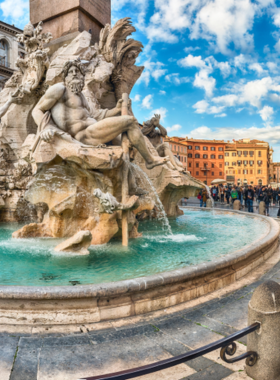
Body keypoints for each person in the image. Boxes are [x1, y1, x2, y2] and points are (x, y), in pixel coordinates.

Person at [32, 59, 169, 170]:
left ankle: (129, 185)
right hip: (84, 135)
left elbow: (96, 116)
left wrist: (116, 109)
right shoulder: (59, 89)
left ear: (82, 76)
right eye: (70, 72)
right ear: (65, 76)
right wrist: (45, 128)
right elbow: (36, 110)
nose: (74, 74)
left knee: (131, 145)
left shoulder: (81, 96)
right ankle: (150, 160)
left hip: (94, 130)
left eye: (77, 72)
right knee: (130, 122)